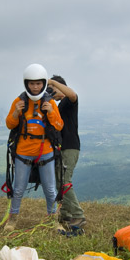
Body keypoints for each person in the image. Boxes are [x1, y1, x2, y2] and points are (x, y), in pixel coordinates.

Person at [4, 63, 64, 231]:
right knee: (18, 189)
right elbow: (10, 124)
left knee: (50, 190)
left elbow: (59, 126)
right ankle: (12, 220)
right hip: (23, 152)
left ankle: (53, 221)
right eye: (32, 83)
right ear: (26, 84)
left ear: (43, 83)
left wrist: (51, 111)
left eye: (38, 83)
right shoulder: (19, 101)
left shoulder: (50, 102)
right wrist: (16, 112)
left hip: (45, 152)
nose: (35, 87)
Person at [50, 75, 86, 230]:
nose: (51, 92)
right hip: (63, 147)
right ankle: (66, 214)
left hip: (69, 147)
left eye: (52, 90)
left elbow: (72, 94)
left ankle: (78, 215)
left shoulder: (69, 101)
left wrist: (51, 82)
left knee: (64, 182)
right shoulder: (60, 105)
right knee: (60, 180)